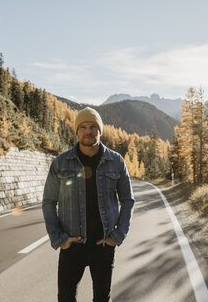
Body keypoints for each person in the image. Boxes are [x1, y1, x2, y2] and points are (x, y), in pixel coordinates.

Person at [42, 107, 135, 302]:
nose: (88, 131)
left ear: (100, 130)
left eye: (93, 126)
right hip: (72, 245)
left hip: (103, 244)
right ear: (77, 131)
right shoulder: (61, 162)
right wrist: (59, 238)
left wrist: (117, 236)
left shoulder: (116, 161)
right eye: (83, 127)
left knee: (102, 298)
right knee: (65, 298)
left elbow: (127, 200)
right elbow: (49, 202)